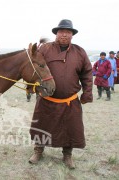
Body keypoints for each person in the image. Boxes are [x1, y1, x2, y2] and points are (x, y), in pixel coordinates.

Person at [29, 19, 93, 169]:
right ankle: (38, 151)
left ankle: (67, 155)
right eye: (61, 32)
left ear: (72, 35)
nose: (64, 34)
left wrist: (87, 93)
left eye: (68, 32)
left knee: (70, 128)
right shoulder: (45, 49)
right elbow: (34, 66)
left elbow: (87, 74)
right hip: (47, 98)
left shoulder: (80, 52)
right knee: (42, 126)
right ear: (56, 34)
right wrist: (33, 86)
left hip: (69, 101)